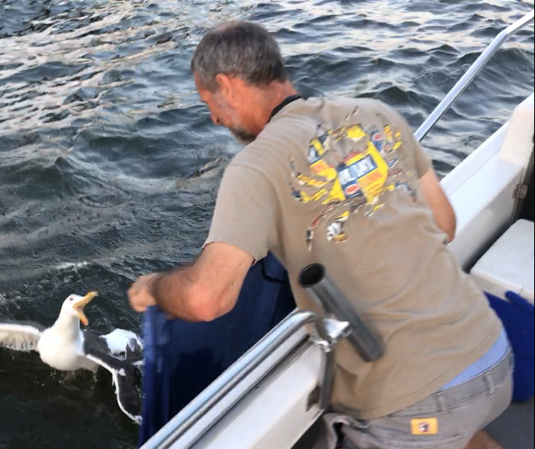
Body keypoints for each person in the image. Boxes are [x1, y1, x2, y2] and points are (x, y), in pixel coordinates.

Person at [128, 21, 513, 449]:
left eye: (208, 102)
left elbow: (207, 299)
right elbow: (443, 224)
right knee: (461, 430)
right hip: (491, 354)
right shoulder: (378, 115)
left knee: (438, 423)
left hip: (414, 405)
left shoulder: (256, 166)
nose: (213, 117)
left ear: (226, 85)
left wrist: (154, 289)